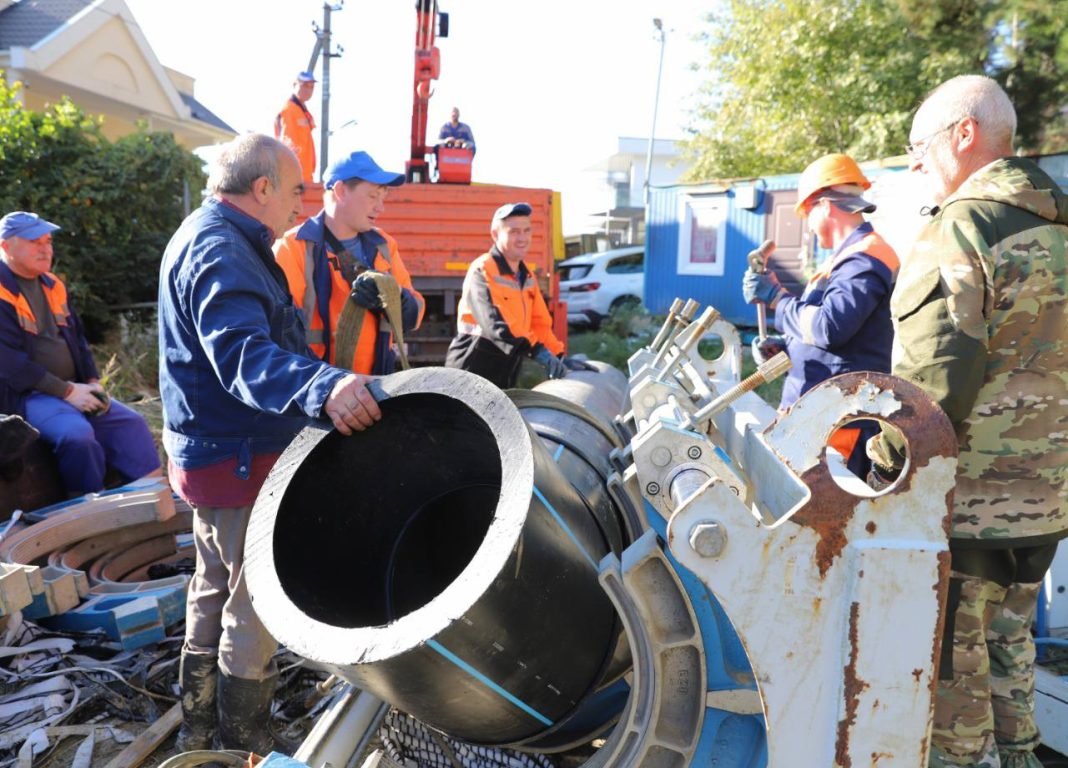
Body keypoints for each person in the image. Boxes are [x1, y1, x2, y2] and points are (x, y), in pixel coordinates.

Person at [867, 75, 1068, 768]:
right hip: (1048, 504)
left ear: (964, 134)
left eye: (920, 146)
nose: (916, 163)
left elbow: (931, 394)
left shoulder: (961, 229)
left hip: (970, 509)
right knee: (1014, 660)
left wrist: (877, 477)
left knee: (954, 698)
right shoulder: (1057, 225)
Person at [159, 134, 383, 755]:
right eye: (293, 189)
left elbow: (263, 341)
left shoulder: (216, 236)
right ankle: (243, 737)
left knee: (213, 587)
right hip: (238, 456)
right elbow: (241, 354)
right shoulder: (222, 249)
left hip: (213, 451)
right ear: (261, 188)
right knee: (252, 599)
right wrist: (324, 387)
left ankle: (200, 725)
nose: (300, 201)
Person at [742, 153, 898, 477]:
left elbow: (830, 328)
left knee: (824, 517)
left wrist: (776, 298)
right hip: (815, 415)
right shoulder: (842, 260)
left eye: (807, 213)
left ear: (824, 205)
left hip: (838, 421)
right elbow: (823, 334)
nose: (809, 226)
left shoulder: (866, 258)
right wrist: (785, 347)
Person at [0, 211, 159, 495]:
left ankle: (158, 502)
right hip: (27, 396)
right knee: (77, 436)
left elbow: (79, 340)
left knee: (132, 423)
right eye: (34, 241)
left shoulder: (54, 285)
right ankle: (87, 511)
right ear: (5, 246)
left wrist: (93, 382)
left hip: (73, 388)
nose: (45, 247)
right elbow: (10, 365)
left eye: (48, 240)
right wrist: (68, 392)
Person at [274, 150, 424, 374]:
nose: (380, 207)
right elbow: (278, 334)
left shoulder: (384, 246)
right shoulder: (294, 248)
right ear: (341, 191)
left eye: (383, 198)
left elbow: (416, 313)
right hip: (317, 392)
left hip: (376, 388)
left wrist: (397, 299)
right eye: (373, 196)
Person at [445, 202, 572, 388]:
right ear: (495, 235)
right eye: (514, 232)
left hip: (505, 366)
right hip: (472, 367)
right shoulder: (483, 270)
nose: (522, 238)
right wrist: (537, 351)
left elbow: (539, 325)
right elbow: (496, 323)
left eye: (527, 230)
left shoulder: (526, 275)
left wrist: (559, 356)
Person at [274, 70, 317, 183]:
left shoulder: (301, 111)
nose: (308, 90)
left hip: (305, 176)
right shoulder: (289, 110)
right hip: (295, 177)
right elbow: (288, 145)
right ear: (294, 85)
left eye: (311, 87)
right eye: (304, 86)